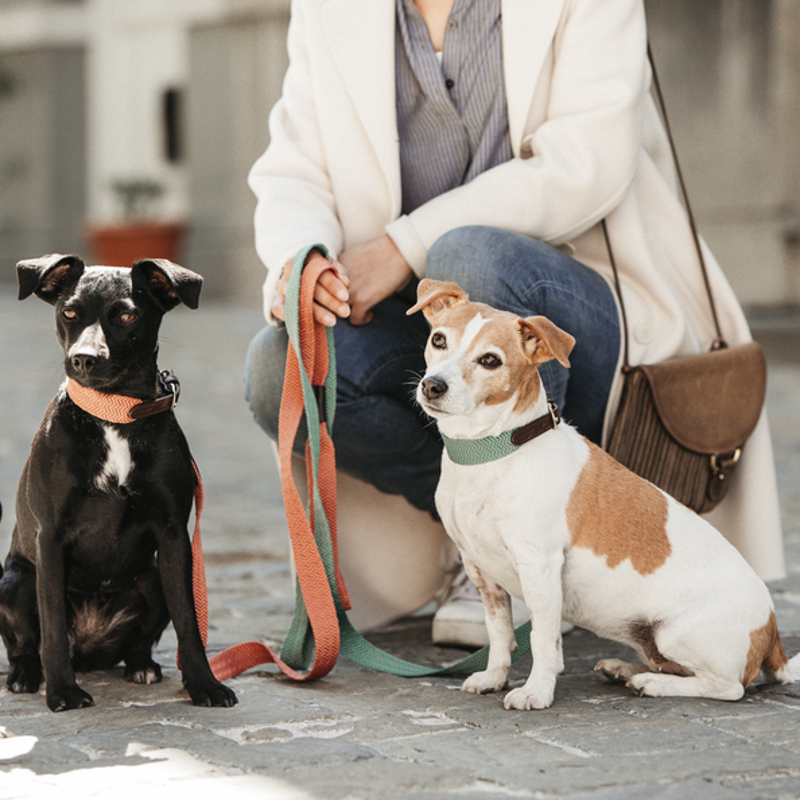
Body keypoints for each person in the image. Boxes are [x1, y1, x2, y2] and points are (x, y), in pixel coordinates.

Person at [245, 0, 785, 646]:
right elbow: (296, 165)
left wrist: (403, 247)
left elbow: (586, 164)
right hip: (427, 328)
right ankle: (489, 541)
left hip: (576, 316)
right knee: (280, 366)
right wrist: (302, 260)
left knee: (468, 254)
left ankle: (536, 541)